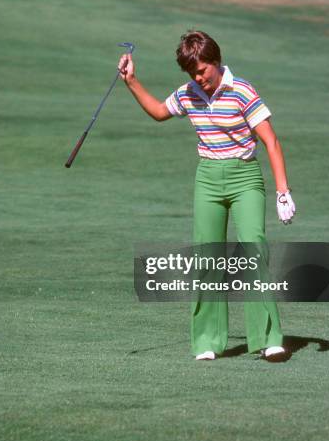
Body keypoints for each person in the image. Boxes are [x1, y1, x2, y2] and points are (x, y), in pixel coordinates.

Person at [118, 31, 295, 362]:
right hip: (208, 181)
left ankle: (268, 338)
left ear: (215, 61)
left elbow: (270, 140)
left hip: (245, 178)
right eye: (192, 74)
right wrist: (132, 81)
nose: (199, 79)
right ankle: (208, 341)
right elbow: (158, 112)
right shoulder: (189, 94)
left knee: (254, 248)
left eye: (202, 71)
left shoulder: (242, 91)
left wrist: (282, 191)